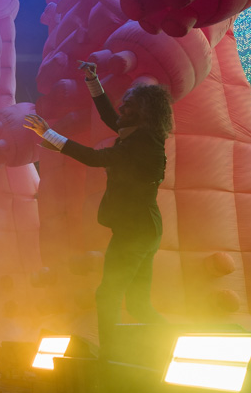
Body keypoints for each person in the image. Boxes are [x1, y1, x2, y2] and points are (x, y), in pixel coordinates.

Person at [24, 61, 173, 348]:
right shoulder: (140, 135)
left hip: (136, 231)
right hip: (143, 228)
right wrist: (93, 81)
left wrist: (48, 134)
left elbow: (95, 158)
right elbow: (109, 117)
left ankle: (111, 356)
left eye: (129, 106)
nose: (122, 108)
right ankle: (169, 343)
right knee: (138, 304)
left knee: (108, 294)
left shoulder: (142, 144)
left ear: (144, 112)